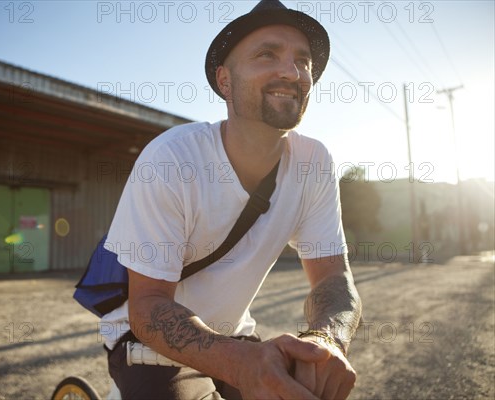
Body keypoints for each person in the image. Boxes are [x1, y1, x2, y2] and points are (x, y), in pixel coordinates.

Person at [100, 0, 362, 398]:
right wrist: (242, 364)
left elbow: (332, 275)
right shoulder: (172, 158)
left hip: (235, 336)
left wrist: (326, 341)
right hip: (146, 343)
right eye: (266, 54)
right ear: (225, 81)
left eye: (302, 61)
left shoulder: (314, 162)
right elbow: (149, 308)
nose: (291, 72)